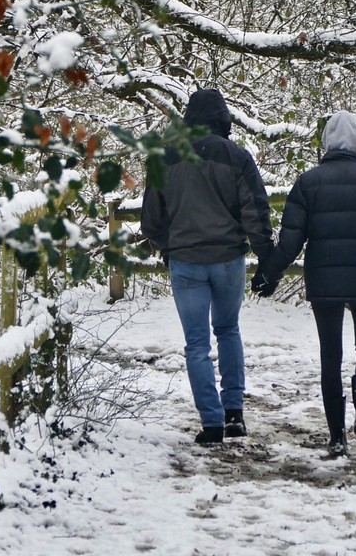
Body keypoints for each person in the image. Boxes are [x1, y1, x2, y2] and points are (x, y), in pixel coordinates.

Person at [253, 111, 356, 457]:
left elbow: (291, 240)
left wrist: (270, 273)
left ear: (326, 142)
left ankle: (336, 437)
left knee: (331, 355)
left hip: (324, 280)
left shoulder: (309, 183)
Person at [140, 89, 274, 445]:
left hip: (186, 261)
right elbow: (254, 211)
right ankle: (235, 414)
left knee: (196, 343)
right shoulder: (237, 157)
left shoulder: (165, 158)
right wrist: (265, 257)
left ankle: (211, 422)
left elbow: (151, 220)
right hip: (228, 259)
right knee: (228, 330)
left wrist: (170, 245)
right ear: (223, 119)